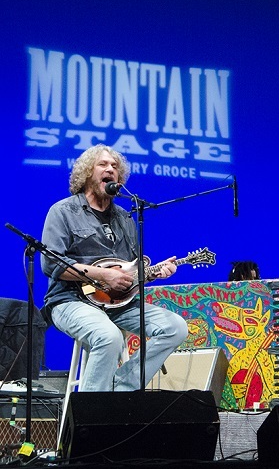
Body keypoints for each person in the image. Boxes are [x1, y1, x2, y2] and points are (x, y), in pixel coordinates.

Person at [41, 144, 188, 392]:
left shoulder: (125, 219)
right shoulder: (63, 211)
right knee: (109, 337)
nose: (111, 169)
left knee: (175, 328)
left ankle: (119, 389)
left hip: (117, 304)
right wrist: (103, 274)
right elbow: (51, 263)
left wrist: (152, 274)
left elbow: (127, 275)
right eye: (103, 164)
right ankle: (91, 412)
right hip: (70, 300)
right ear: (87, 173)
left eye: (115, 167)